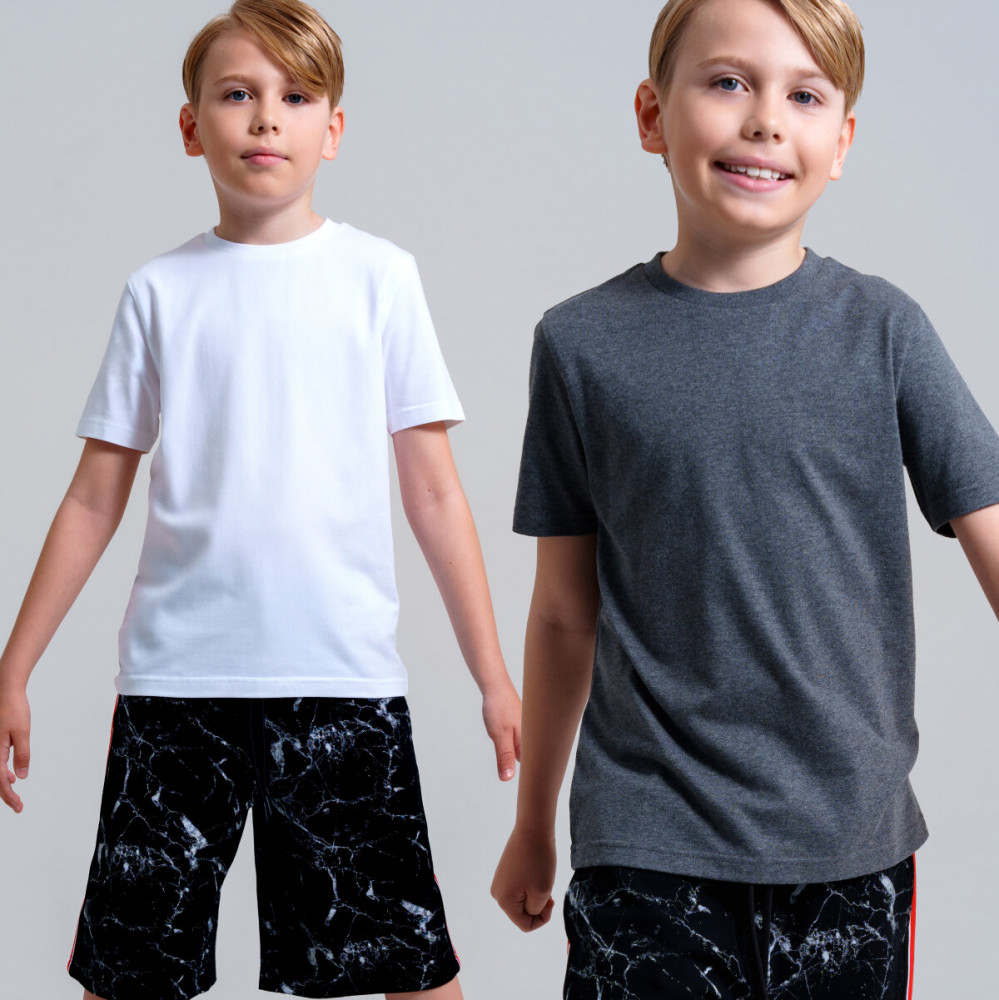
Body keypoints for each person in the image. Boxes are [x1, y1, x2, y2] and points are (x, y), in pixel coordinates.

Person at [0, 2, 521, 998]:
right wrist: (14, 666)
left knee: (410, 968)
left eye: (296, 96)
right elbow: (94, 498)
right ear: (192, 125)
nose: (267, 117)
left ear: (335, 128)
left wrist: (491, 676)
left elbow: (435, 495)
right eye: (238, 94)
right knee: (128, 970)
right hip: (176, 686)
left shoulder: (380, 279)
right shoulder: (159, 292)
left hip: (340, 678)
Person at [490, 0, 999, 997]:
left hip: (846, 844)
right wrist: (532, 823)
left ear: (840, 142)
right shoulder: (580, 345)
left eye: (804, 96)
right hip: (644, 841)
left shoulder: (884, 330)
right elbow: (561, 614)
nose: (765, 119)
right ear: (652, 115)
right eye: (728, 82)